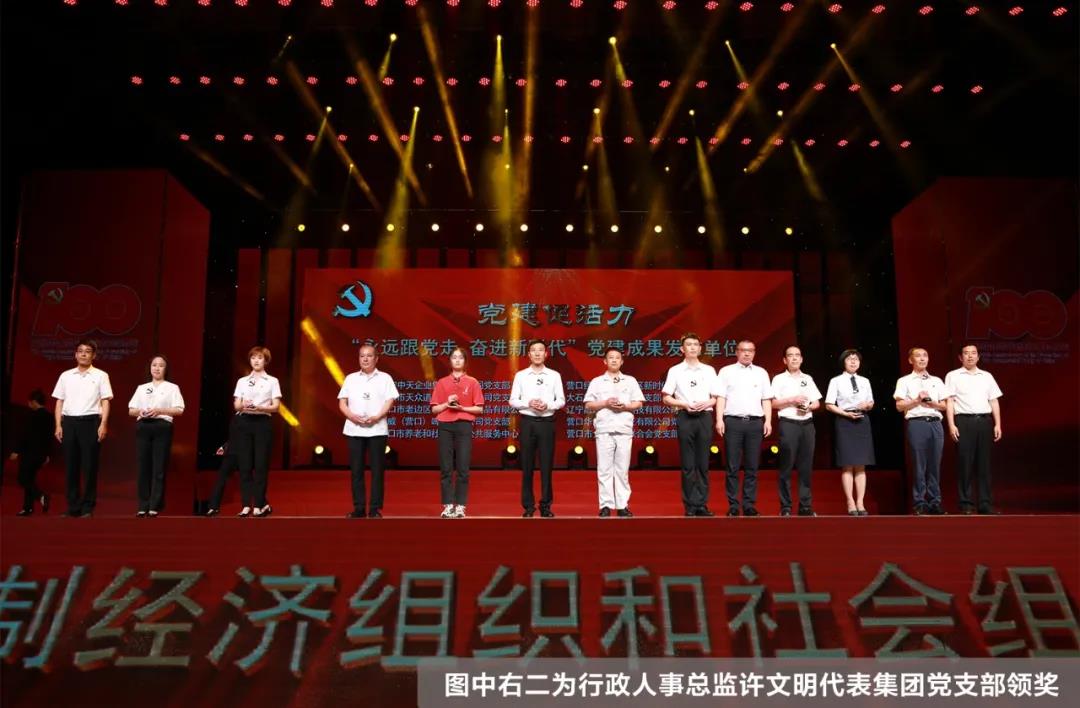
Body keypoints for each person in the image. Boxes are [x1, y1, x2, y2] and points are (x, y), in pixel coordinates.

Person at [52, 339, 113, 517]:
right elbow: (59, 401)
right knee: (71, 466)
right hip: (69, 423)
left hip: (90, 422)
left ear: (94, 355)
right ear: (76, 354)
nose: (83, 354)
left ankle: (88, 507)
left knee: (89, 466)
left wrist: (103, 424)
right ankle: (73, 507)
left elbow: (105, 401)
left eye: (87, 351)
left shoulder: (101, 375)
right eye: (80, 351)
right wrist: (58, 425)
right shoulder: (66, 376)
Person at [714, 340, 774, 517]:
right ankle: (733, 505)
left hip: (755, 423)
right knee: (732, 466)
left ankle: (749, 505)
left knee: (752, 466)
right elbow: (721, 397)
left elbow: (766, 399)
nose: (747, 353)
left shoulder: (761, 373)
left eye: (750, 350)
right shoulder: (726, 371)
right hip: (733, 422)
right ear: (737, 352)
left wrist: (768, 421)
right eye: (743, 350)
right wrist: (719, 420)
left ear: (754, 353)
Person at [583, 348, 645, 518]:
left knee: (622, 470)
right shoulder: (597, 381)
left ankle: (622, 505)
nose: (614, 360)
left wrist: (625, 406)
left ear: (622, 361)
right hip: (604, 429)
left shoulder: (630, 380)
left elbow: (639, 403)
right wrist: (605, 403)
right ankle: (605, 505)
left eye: (617, 358)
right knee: (604, 469)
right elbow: (588, 404)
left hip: (624, 429)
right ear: (605, 361)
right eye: (611, 358)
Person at [339, 344, 399, 519]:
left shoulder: (385, 378)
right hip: (354, 429)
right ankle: (358, 508)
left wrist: (377, 416)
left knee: (377, 470)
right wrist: (351, 416)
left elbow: (390, 400)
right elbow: (342, 402)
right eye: (362, 356)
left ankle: (374, 509)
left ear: (376, 358)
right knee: (356, 470)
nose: (365, 359)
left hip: (377, 429)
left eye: (369, 356)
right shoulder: (350, 378)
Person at [662, 333, 718, 517]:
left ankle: (701, 504)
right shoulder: (675, 370)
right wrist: (684, 404)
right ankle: (690, 506)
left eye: (696, 344)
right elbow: (666, 397)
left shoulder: (709, 370)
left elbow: (716, 397)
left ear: (700, 348)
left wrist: (707, 403)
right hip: (685, 416)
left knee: (703, 463)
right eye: (689, 344)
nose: (693, 347)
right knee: (688, 464)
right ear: (682, 349)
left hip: (704, 417)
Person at [945, 344, 1004, 515]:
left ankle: (985, 504)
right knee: (965, 463)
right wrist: (951, 425)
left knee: (984, 464)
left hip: (984, 422)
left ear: (978, 356)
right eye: (966, 353)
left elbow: (994, 401)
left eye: (973, 353)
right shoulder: (953, 375)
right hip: (963, 421)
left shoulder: (987, 376)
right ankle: (966, 504)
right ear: (960, 357)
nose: (970, 356)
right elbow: (950, 401)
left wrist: (998, 424)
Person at [509, 339, 566, 518]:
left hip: (547, 423)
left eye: (540, 350)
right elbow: (513, 400)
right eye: (533, 350)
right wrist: (529, 403)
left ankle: (546, 505)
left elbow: (561, 400)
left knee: (546, 466)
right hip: (528, 422)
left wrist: (547, 405)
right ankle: (528, 506)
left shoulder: (554, 375)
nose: (537, 353)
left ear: (546, 354)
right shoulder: (521, 375)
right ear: (529, 354)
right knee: (527, 466)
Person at [127, 356, 185, 517]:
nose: (157, 368)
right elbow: (131, 410)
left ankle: (154, 505)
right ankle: (142, 505)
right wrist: (141, 412)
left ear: (165, 369)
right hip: (144, 426)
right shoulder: (142, 388)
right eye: (154, 365)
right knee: (143, 467)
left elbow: (179, 409)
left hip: (162, 426)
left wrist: (159, 410)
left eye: (161, 365)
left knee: (159, 467)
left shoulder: (172, 388)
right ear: (150, 368)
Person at [429, 347, 484, 518]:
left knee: (463, 467)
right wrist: (447, 404)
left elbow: (479, 409)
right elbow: (434, 409)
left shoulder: (473, 382)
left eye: (461, 357)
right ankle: (447, 505)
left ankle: (460, 506)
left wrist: (462, 408)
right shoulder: (442, 382)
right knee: (446, 468)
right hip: (445, 425)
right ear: (450, 361)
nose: (458, 360)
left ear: (465, 361)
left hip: (464, 425)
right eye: (454, 357)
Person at [894, 347, 948, 516]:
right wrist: (917, 400)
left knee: (935, 464)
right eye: (918, 356)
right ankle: (919, 502)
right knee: (919, 464)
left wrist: (932, 403)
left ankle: (935, 502)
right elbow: (899, 406)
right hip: (917, 423)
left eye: (925, 355)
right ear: (911, 360)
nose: (922, 358)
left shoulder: (936, 380)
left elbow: (944, 405)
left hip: (935, 423)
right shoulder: (904, 381)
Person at [770, 346, 822, 516]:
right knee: (786, 466)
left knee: (806, 466)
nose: (794, 358)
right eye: (790, 356)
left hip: (807, 424)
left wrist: (808, 407)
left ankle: (805, 506)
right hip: (788, 424)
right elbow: (773, 403)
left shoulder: (807, 378)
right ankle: (785, 506)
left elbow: (816, 402)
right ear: (784, 360)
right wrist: (792, 400)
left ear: (801, 359)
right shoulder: (778, 379)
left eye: (797, 355)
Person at [231, 346, 281, 518]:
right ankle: (246, 505)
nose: (256, 361)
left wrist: (260, 407)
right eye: (253, 358)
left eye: (260, 358)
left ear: (265, 360)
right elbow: (236, 405)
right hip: (244, 422)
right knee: (245, 465)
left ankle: (259, 505)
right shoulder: (242, 381)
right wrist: (243, 405)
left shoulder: (272, 381)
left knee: (260, 465)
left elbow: (276, 407)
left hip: (262, 423)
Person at [824, 349, 875, 516]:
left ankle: (860, 502)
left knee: (861, 465)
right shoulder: (836, 381)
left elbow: (871, 402)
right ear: (843, 362)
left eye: (856, 359)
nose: (853, 362)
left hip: (862, 420)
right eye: (850, 359)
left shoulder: (865, 381)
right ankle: (850, 502)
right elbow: (829, 404)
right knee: (847, 464)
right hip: (845, 421)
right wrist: (846, 413)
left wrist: (867, 405)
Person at [11, 389, 53, 516]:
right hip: (41, 455)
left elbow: (25, 435)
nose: (28, 404)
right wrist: (47, 455)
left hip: (29, 453)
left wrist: (16, 451)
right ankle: (27, 508)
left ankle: (41, 496)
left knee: (23, 479)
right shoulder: (50, 417)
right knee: (30, 480)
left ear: (34, 402)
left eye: (29, 402)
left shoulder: (31, 415)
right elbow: (49, 438)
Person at [205, 419, 244, 517]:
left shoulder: (252, 417)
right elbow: (233, 437)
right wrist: (224, 446)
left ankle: (259, 504)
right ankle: (213, 507)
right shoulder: (236, 418)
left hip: (245, 453)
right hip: (231, 452)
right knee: (220, 479)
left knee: (247, 480)